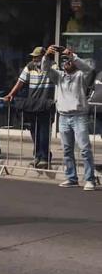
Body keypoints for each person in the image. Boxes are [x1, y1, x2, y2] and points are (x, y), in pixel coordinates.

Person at [41, 46, 96, 189]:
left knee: (84, 149)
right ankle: (71, 178)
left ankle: (90, 179)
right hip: (64, 117)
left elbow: (88, 69)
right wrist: (47, 55)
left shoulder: (81, 76)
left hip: (79, 116)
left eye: (69, 61)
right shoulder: (59, 76)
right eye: (64, 60)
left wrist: (72, 55)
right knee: (67, 150)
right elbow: (45, 68)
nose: (66, 62)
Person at [4, 47, 56, 169]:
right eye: (33, 57)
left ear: (44, 56)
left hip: (45, 103)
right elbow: (20, 82)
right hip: (32, 103)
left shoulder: (52, 66)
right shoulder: (30, 66)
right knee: (34, 130)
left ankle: (44, 157)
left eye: (37, 57)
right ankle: (37, 155)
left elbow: (56, 77)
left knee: (44, 131)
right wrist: (11, 94)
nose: (34, 59)